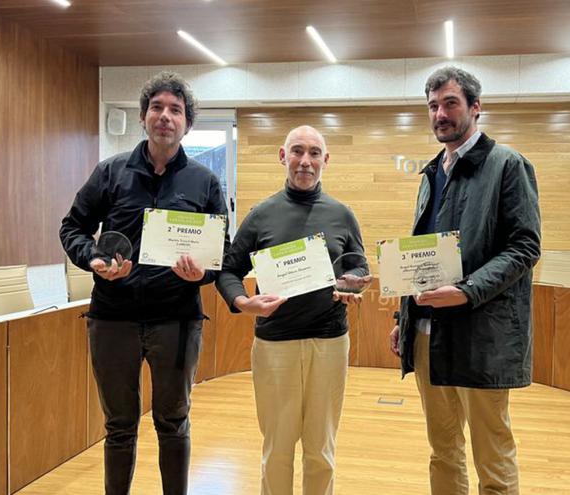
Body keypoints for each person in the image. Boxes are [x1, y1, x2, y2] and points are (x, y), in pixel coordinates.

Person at [60, 71, 228, 495]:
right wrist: (94, 258)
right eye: (157, 108)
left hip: (177, 320)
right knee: (119, 426)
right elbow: (73, 228)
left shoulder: (205, 182)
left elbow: (220, 252)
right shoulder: (110, 172)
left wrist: (201, 273)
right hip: (113, 318)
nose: (165, 116)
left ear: (187, 123)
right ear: (142, 117)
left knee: (173, 422)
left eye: (175, 110)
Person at [389, 66, 541, 495]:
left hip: (482, 336)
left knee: (492, 455)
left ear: (476, 107)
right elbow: (423, 255)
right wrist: (404, 317)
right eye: (433, 105)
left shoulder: (508, 165)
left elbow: (524, 248)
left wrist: (465, 291)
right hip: (426, 334)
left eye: (450, 103)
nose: (440, 113)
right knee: (443, 450)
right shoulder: (432, 172)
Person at [217, 125, 368, 495]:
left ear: (325, 160)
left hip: (329, 344)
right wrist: (242, 301)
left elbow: (360, 266)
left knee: (321, 451)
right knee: (277, 451)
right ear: (283, 157)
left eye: (314, 153)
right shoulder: (261, 214)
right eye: (297, 151)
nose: (305, 161)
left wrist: (352, 281)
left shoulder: (342, 214)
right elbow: (228, 271)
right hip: (275, 346)